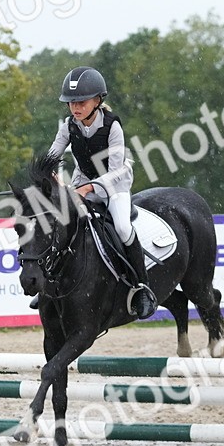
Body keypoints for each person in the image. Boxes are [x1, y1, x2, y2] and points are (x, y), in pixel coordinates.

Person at [44, 66, 156, 318]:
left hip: (114, 186)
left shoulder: (112, 126)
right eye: (71, 103)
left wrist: (89, 187)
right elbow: (53, 154)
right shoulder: (68, 126)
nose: (75, 108)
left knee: (123, 228)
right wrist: (45, 173)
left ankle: (142, 288)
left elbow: (116, 171)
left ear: (97, 100)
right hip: (82, 182)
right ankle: (51, 287)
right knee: (61, 223)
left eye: (81, 102)